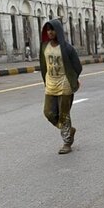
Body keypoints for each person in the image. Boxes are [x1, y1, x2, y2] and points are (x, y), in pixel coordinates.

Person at [40, 19, 83, 154]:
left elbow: (78, 66)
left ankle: (67, 143)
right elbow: (43, 66)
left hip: (65, 85)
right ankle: (68, 130)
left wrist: (73, 79)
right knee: (48, 113)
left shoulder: (67, 48)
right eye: (48, 29)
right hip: (50, 85)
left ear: (57, 31)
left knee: (64, 115)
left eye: (52, 29)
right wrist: (45, 81)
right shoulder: (44, 47)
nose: (50, 32)